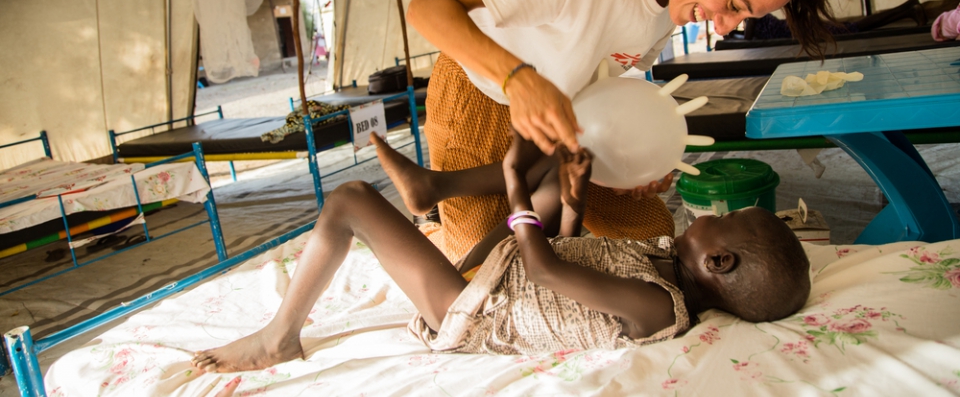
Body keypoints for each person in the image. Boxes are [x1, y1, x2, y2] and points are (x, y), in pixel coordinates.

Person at [406, 0, 837, 259]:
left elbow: (604, 82)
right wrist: (517, 79)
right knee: (487, 266)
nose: (724, 26)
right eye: (735, 4)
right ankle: (435, 230)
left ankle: (493, 215)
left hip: (566, 116)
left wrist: (634, 161)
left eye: (742, 17)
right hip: (478, 92)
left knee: (651, 236)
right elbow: (428, 6)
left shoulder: (674, 0)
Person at [191, 132, 811, 372]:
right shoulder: (663, 260)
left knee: (350, 198)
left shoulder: (657, 306)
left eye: (721, 222)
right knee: (558, 159)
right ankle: (431, 189)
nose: (710, 215)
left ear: (720, 264)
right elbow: (570, 254)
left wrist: (515, 188)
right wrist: (570, 196)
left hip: (472, 307)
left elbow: (545, 265)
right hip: (508, 272)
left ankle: (279, 337)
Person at [741, 0, 926, 41]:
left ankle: (908, 8)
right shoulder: (751, 13)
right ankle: (908, 9)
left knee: (853, 28)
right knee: (852, 27)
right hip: (803, 29)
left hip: (806, 30)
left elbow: (749, 37)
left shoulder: (752, 11)